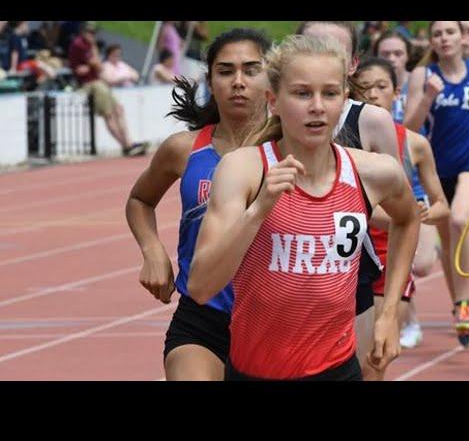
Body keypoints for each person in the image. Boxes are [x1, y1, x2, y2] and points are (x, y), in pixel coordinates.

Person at [187, 34, 420, 381]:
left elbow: (409, 219)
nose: (317, 106)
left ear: (344, 99)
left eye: (329, 93)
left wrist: (388, 315)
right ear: (273, 101)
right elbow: (202, 286)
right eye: (301, 93)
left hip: (336, 370)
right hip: (255, 370)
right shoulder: (244, 169)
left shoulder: (373, 171)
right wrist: (259, 210)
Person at [126, 28, 271, 381]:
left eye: (251, 70)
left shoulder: (294, 150)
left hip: (275, 322)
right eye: (225, 71)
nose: (238, 81)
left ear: (272, 77)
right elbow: (140, 199)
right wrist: (152, 251)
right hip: (202, 319)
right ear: (209, 79)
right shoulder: (184, 149)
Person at [295, 21, 404, 370]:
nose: (321, 59)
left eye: (333, 52)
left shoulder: (371, 121)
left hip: (349, 273)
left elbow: (396, 211)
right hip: (284, 270)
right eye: (311, 48)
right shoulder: (275, 114)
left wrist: (339, 202)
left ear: (353, 63)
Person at [354, 56, 449, 378]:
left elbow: (441, 206)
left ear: (396, 93)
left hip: (391, 256)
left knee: (374, 358)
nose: (373, 94)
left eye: (381, 87)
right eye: (364, 88)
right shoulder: (344, 141)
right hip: (349, 254)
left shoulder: (415, 144)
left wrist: (420, 213)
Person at [404, 21, 469, 348]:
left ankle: (465, 300)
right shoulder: (423, 75)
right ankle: (459, 304)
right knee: (450, 243)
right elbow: (409, 128)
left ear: (462, 37)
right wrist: (428, 97)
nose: (444, 38)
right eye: (437, 33)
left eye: (450, 32)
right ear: (431, 40)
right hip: (436, 168)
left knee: (459, 218)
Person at [68, 22, 148, 157]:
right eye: (90, 32)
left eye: (94, 33)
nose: (93, 36)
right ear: (84, 32)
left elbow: (96, 65)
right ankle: (126, 146)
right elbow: (98, 66)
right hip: (91, 83)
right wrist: (93, 54)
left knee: (118, 109)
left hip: (96, 81)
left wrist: (92, 59)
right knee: (109, 115)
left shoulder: (87, 44)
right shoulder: (80, 44)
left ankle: (128, 143)